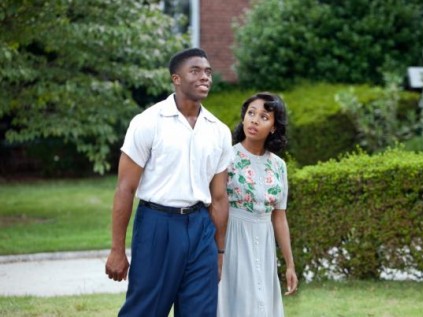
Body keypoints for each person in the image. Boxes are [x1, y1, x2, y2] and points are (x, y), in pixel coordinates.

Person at [105, 48, 233, 317]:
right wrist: (117, 250)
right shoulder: (147, 122)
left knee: (200, 312)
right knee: (145, 310)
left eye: (208, 72)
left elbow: (219, 198)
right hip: (157, 225)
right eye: (195, 71)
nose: (204, 77)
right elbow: (125, 189)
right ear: (176, 79)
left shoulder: (218, 131)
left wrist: (219, 252)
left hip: (201, 229)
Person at [217, 92, 298, 317]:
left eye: (264, 116)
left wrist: (290, 264)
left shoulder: (279, 166)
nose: (254, 120)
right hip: (233, 239)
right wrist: (218, 251)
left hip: (264, 241)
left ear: (273, 126)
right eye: (251, 113)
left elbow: (279, 218)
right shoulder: (227, 158)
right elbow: (215, 206)